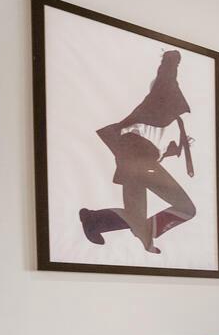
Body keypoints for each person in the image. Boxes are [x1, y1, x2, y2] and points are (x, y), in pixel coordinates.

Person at [79, 50, 198, 253]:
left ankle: (95, 220)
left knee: (136, 216)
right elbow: (166, 76)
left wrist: (174, 149)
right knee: (186, 208)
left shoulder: (159, 120)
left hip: (134, 158)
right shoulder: (160, 94)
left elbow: (153, 143)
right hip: (137, 158)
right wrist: (172, 58)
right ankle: (143, 233)